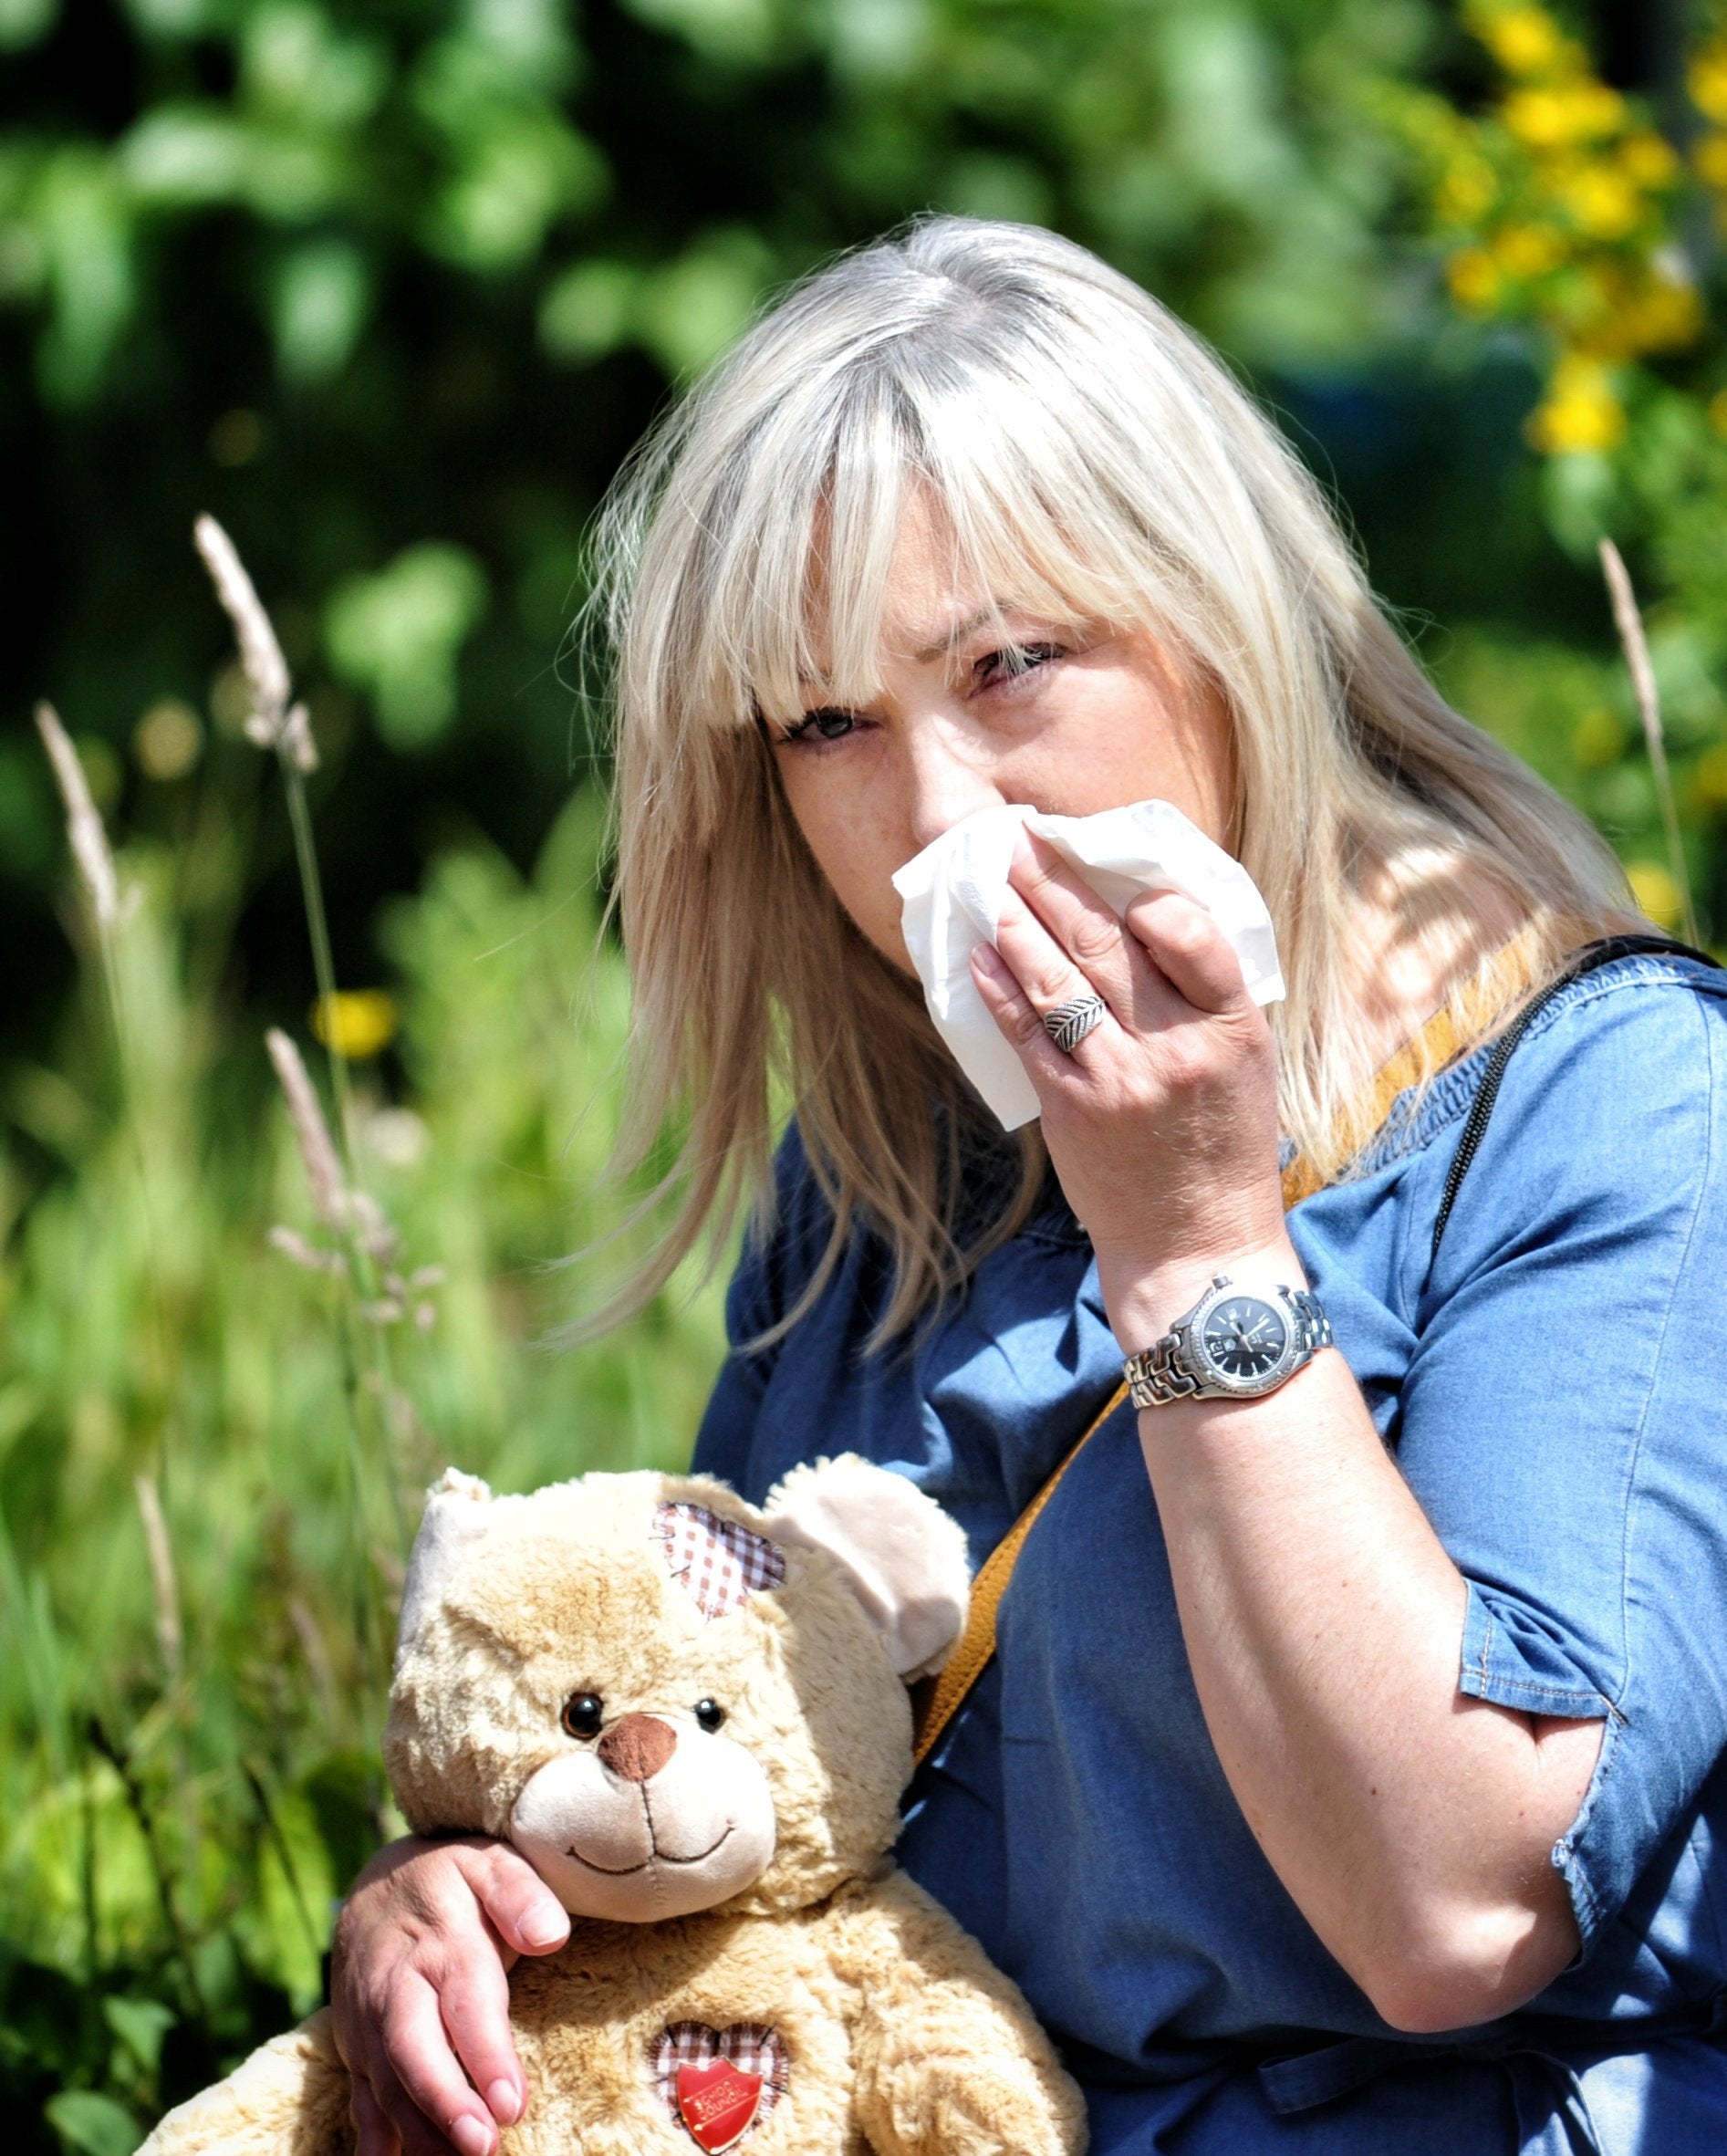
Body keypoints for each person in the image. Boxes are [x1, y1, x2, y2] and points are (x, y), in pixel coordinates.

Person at [329, 218, 1727, 2155]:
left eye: (1009, 666)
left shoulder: (1614, 1103)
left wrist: (1194, 1247)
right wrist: (459, 1912)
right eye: (826, 723)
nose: (937, 817)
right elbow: (737, 1771)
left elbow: (1456, 1908)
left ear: (1220, 619)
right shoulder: (890, 1147)